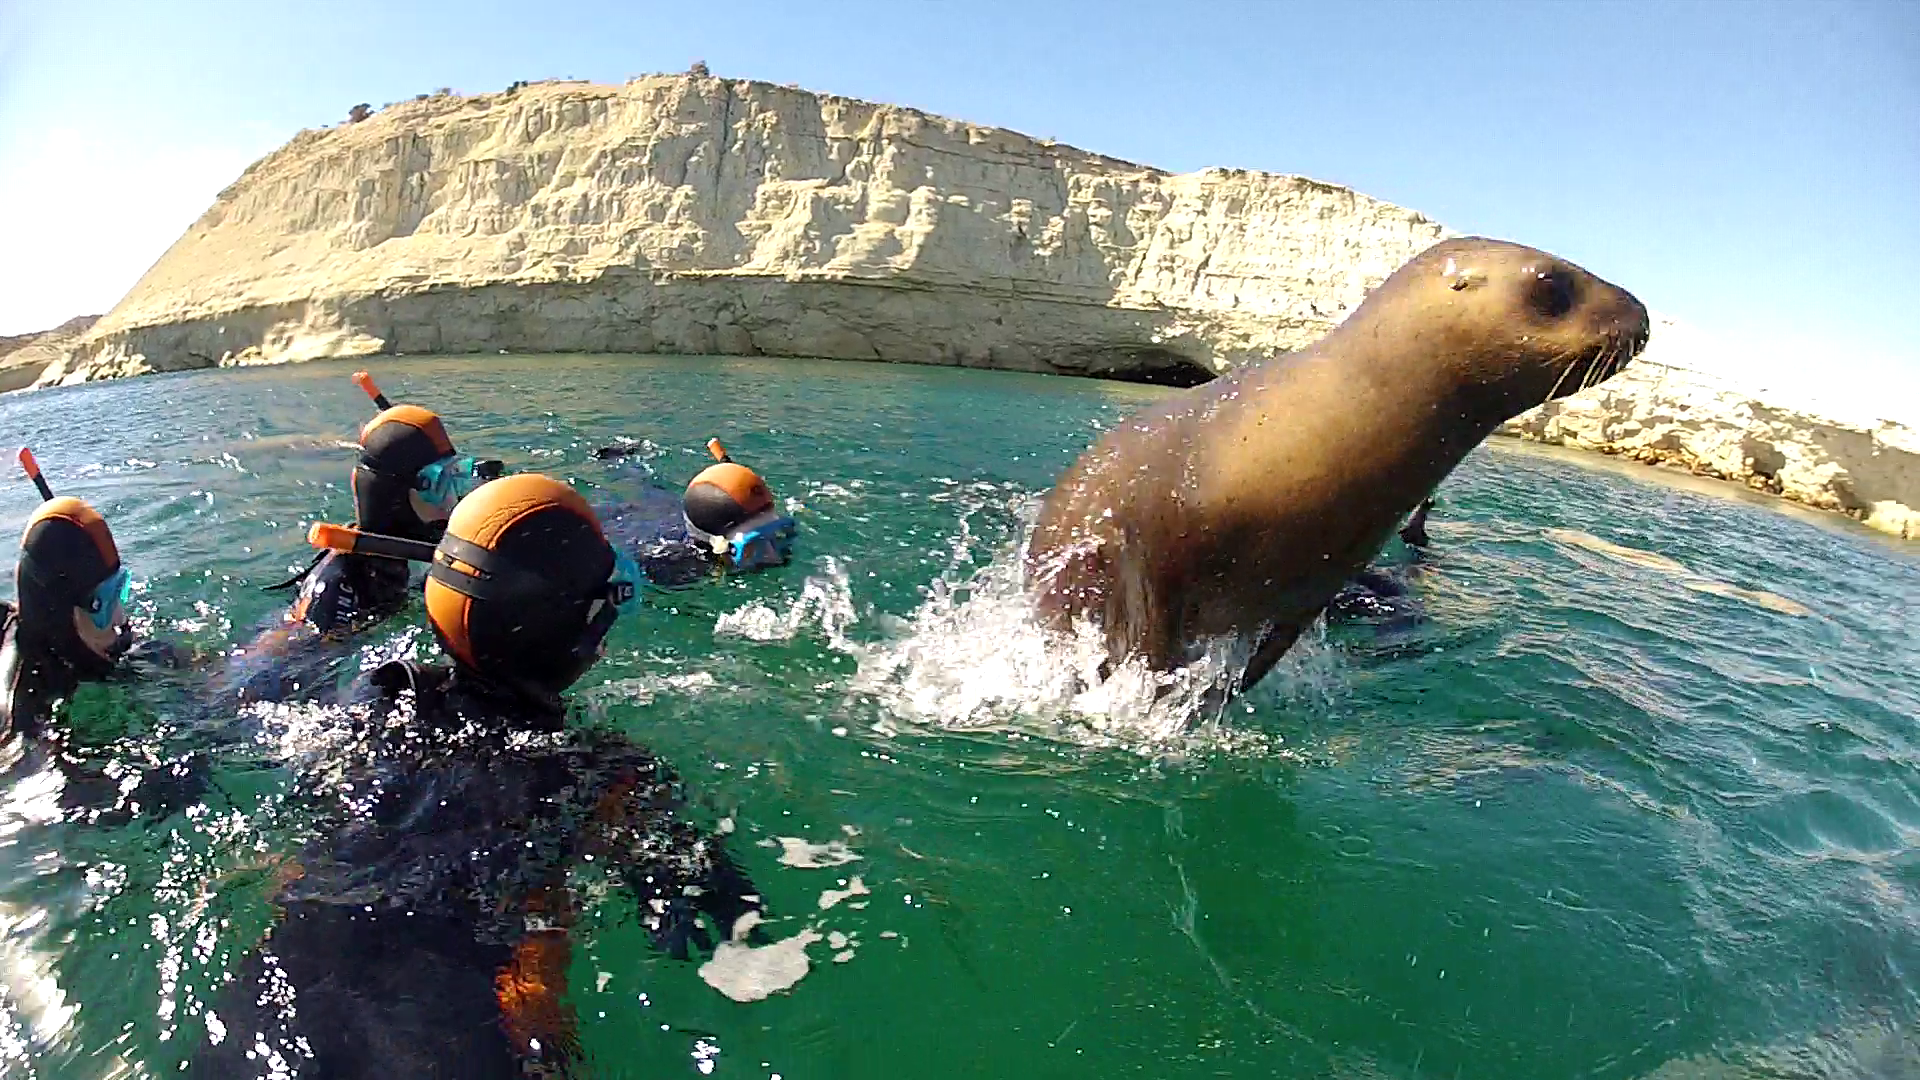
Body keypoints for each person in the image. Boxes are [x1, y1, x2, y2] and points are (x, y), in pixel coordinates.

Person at [189, 473, 764, 1079]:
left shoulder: (377, 705)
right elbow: (722, 920)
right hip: (463, 1035)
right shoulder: (604, 774)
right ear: (585, 632)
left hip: (263, 1009)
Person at [217, 373, 503, 706]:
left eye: (458, 476)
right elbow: (277, 667)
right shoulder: (342, 582)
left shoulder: (397, 557)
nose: (450, 501)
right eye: (436, 483)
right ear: (391, 494)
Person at [594, 438, 798, 588]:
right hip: (635, 525)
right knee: (635, 490)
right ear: (717, 545)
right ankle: (615, 460)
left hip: (673, 510)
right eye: (755, 545)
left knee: (651, 488)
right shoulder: (668, 570)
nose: (775, 558)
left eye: (778, 532)